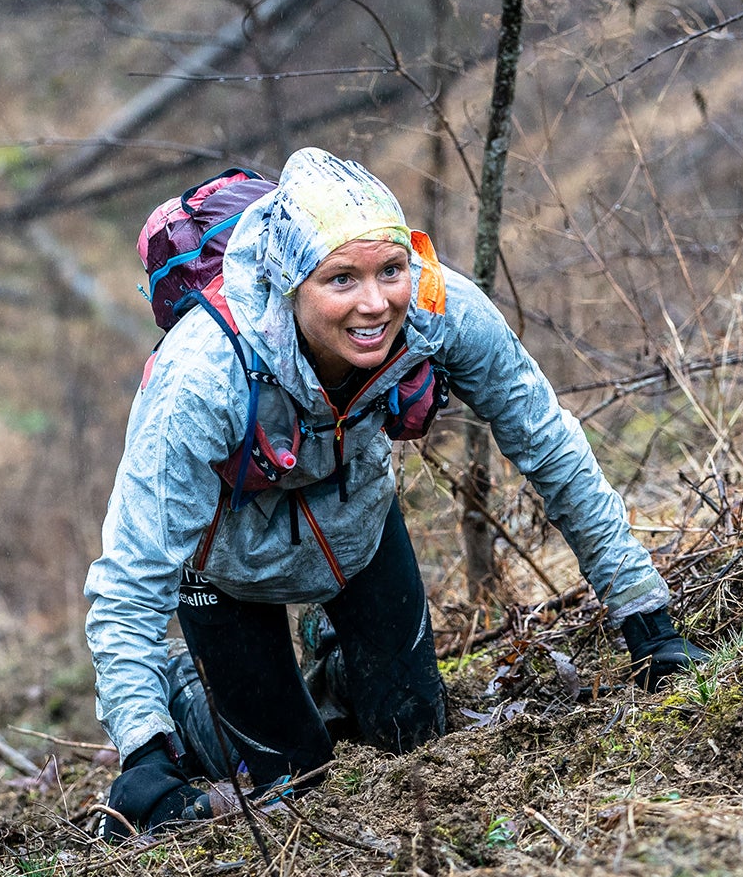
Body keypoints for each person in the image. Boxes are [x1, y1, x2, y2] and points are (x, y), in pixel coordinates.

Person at [84, 147, 707, 835]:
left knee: (412, 733)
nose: (374, 303)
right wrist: (143, 751)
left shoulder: (441, 308)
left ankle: (332, 651)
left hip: (358, 532)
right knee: (293, 776)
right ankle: (186, 693)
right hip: (226, 572)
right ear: (292, 283)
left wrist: (645, 618)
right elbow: (131, 572)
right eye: (340, 280)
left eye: (390, 270)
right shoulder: (201, 374)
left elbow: (549, 445)